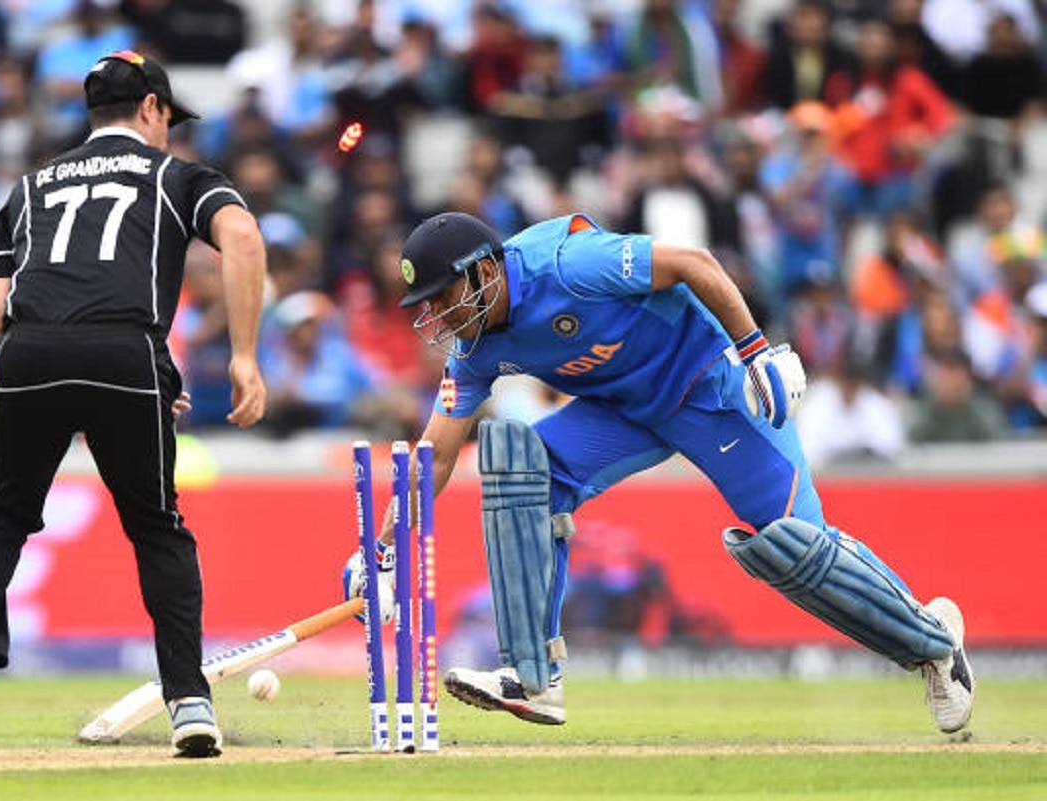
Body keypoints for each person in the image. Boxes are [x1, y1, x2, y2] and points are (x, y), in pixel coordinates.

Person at [343, 211, 974, 735]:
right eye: (426, 306)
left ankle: (932, 643)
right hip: (623, 412)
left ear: (482, 270)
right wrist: (383, 548)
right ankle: (533, 678)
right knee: (520, 462)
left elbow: (693, 262)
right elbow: (439, 452)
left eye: (443, 297)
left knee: (793, 546)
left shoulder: (566, 264)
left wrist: (759, 351)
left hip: (707, 388)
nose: (439, 316)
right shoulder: (478, 347)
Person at [0, 50, 268, 759]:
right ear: (150, 110)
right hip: (123, 352)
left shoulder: (28, 187)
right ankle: (190, 703)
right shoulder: (176, 176)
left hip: (28, 353)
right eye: (169, 117)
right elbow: (243, 237)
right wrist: (242, 355)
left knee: (3, 511)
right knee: (157, 527)